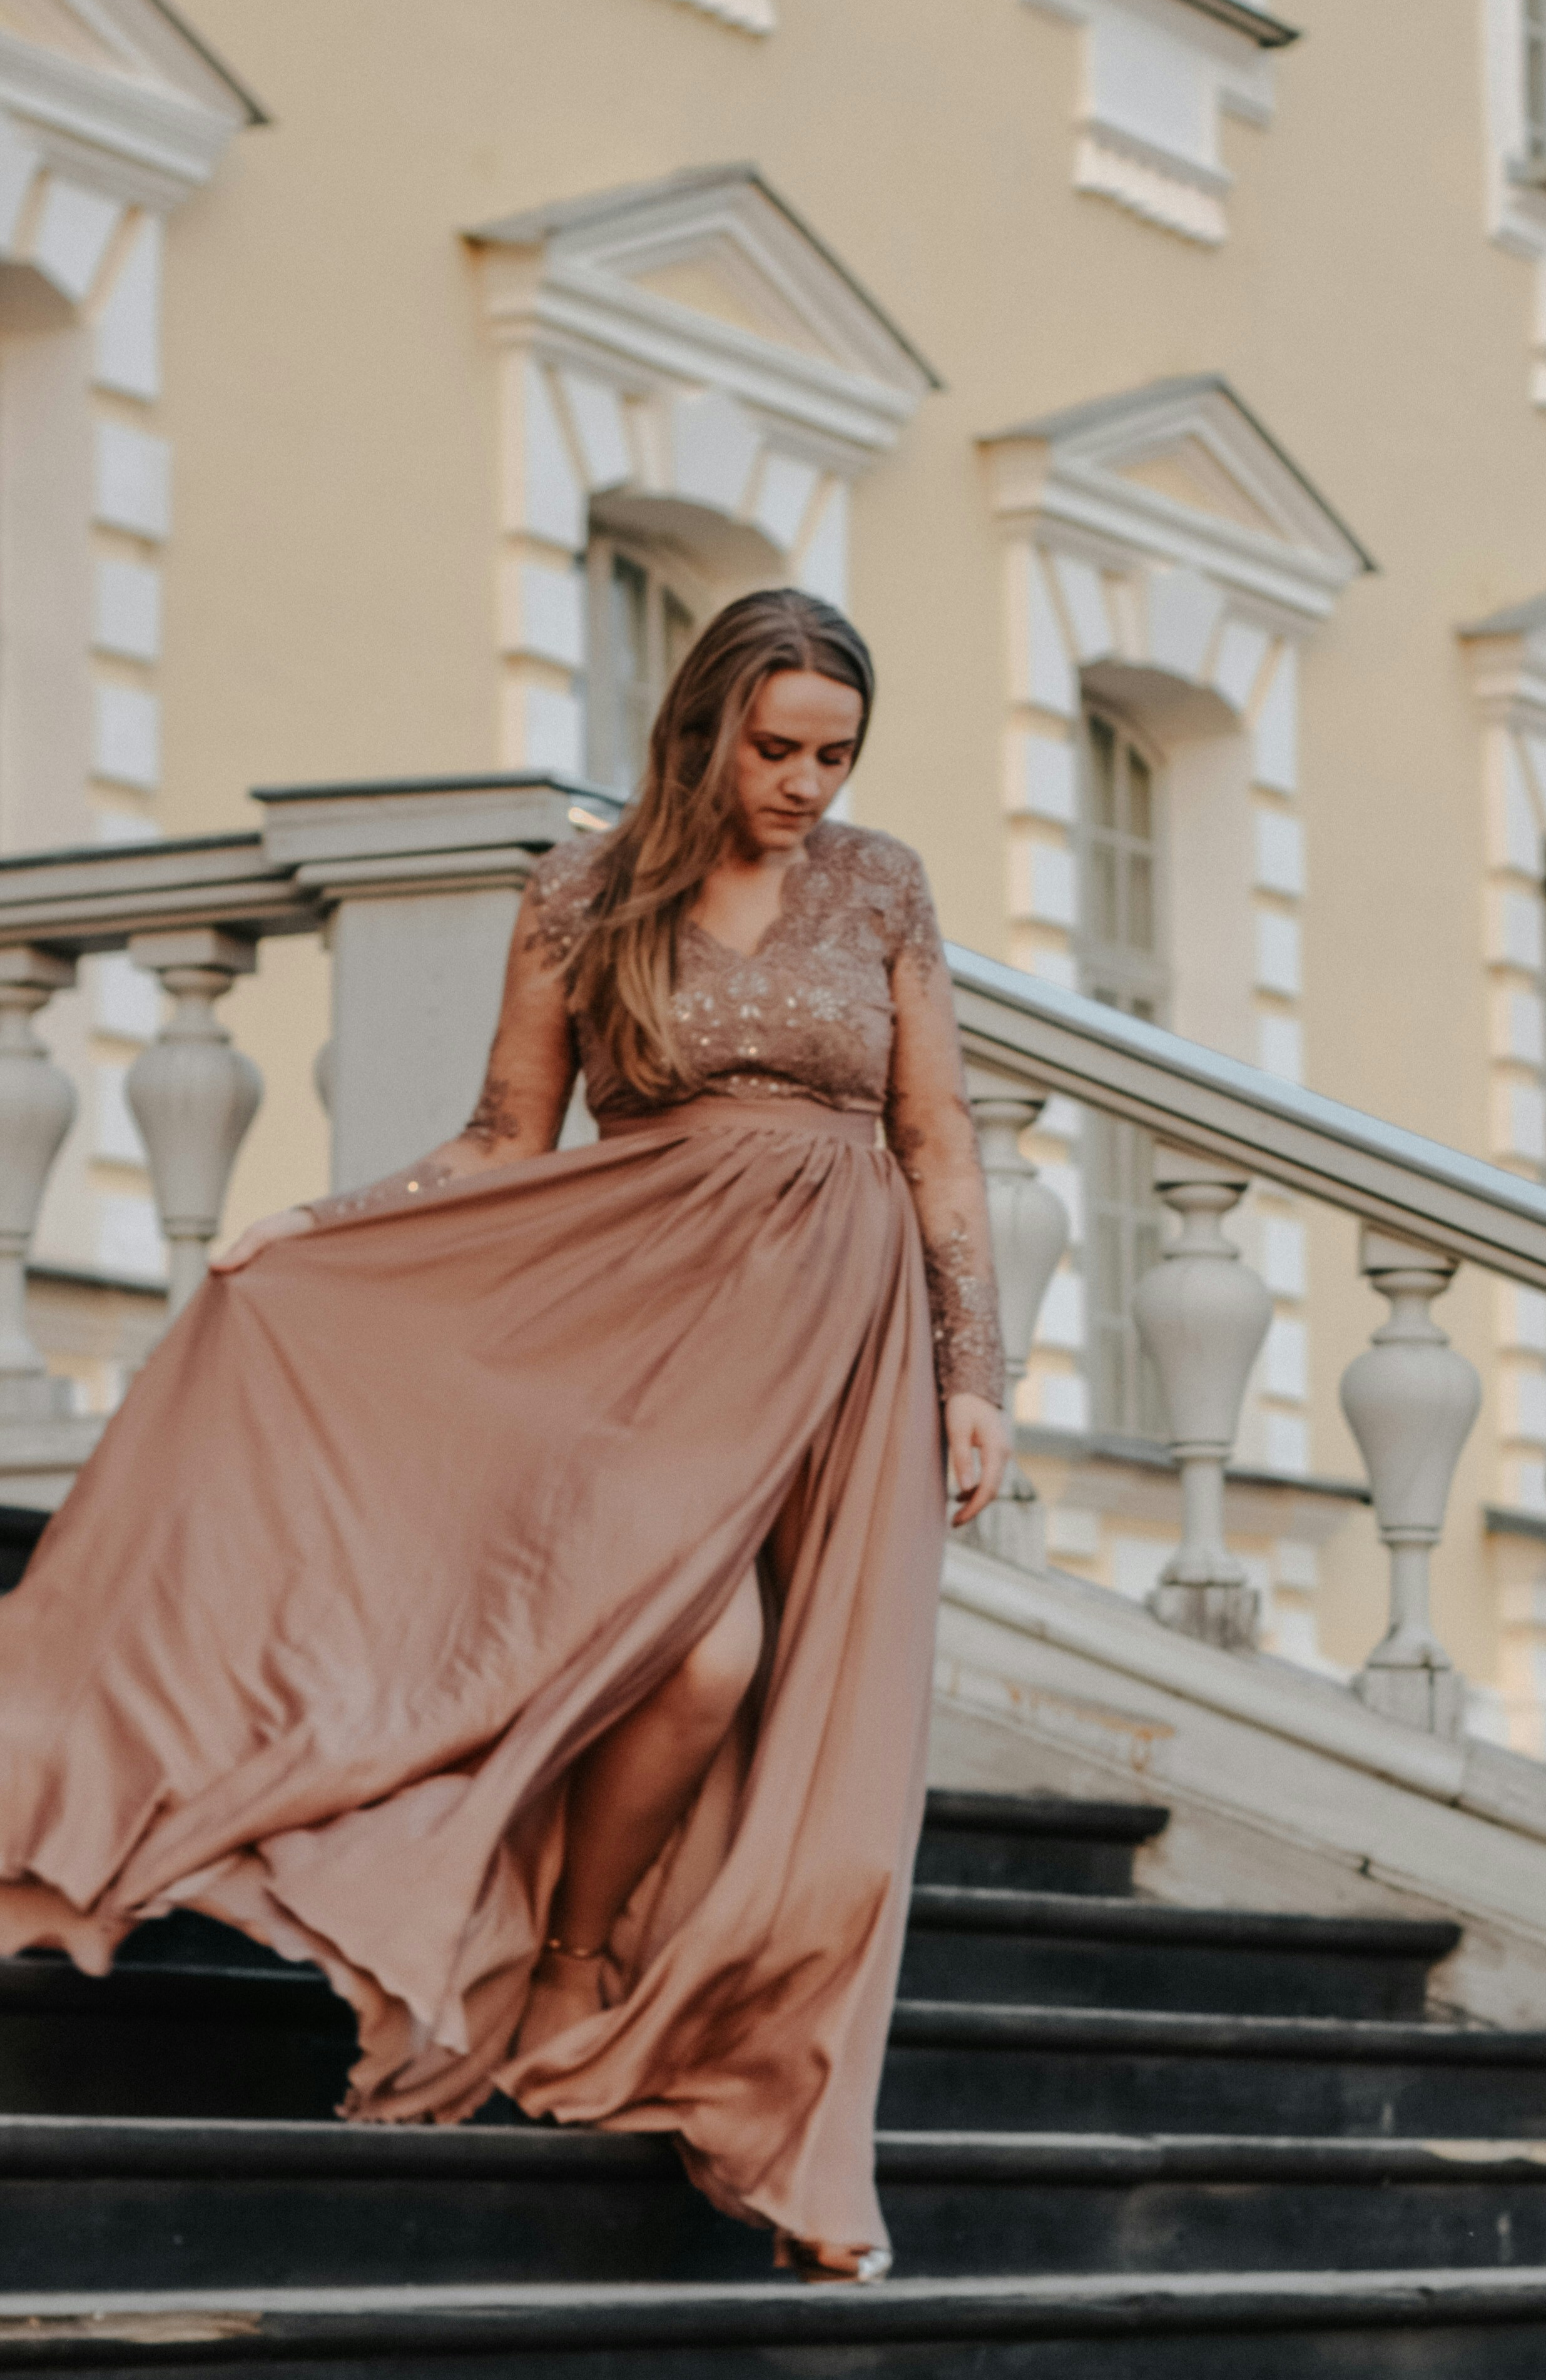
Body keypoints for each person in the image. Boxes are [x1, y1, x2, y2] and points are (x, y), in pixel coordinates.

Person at [0, 588, 1009, 2280]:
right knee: (696, 1667)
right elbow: (499, 1137)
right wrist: (322, 1231)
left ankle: (652, 2008)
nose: (807, 784)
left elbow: (940, 1139)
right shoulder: (584, 889)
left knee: (809, 1738)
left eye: (836, 753)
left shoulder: (882, 884)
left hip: (837, 1338)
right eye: (776, 749)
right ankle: (575, 1957)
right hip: (643, 1325)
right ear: (700, 729)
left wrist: (973, 1370)